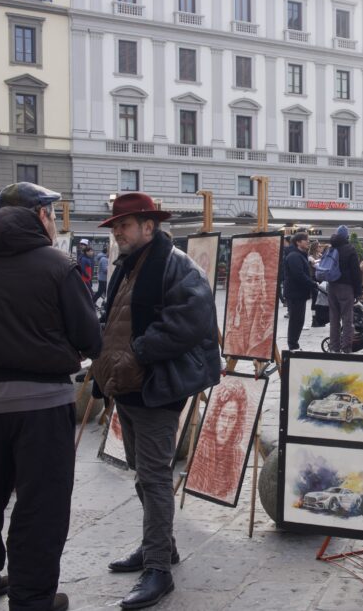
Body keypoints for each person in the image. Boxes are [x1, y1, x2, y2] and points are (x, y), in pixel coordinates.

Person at [0, 182, 102, 611]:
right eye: (52, 214)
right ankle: (32, 596)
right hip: (42, 400)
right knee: (42, 501)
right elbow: (89, 336)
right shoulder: (57, 264)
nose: (55, 222)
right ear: (39, 215)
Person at [91, 192, 220, 611]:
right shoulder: (129, 265)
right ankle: (160, 547)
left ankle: (158, 570)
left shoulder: (176, 264)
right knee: (142, 473)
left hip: (157, 386)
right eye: (115, 227)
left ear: (150, 226)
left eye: (124, 225)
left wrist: (138, 353)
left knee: (154, 476)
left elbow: (190, 321)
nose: (118, 233)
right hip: (129, 386)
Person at [327, 225, 361, 353]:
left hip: (332, 286)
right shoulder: (350, 249)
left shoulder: (331, 247)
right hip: (346, 287)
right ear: (347, 236)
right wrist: (358, 291)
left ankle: (334, 348)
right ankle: (346, 348)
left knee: (334, 318)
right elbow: (356, 272)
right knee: (347, 319)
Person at [282, 232, 318, 351]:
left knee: (299, 320)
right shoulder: (294, 256)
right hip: (295, 293)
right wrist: (312, 283)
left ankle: (294, 344)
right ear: (298, 242)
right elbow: (298, 274)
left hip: (299, 293)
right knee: (296, 320)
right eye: (305, 240)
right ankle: (293, 345)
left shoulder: (300, 255)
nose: (308, 242)